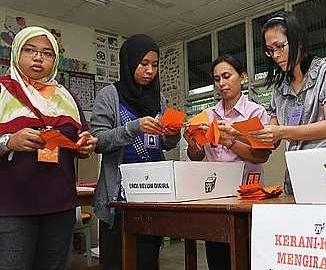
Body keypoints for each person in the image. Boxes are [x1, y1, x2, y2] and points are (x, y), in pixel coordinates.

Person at [0, 26, 97, 270]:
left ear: (54, 60)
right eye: (29, 50)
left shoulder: (66, 96)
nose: (38, 57)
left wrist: (84, 146)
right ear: (15, 54)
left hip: (60, 204)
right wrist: (9, 142)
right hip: (12, 205)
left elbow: (80, 137)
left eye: (47, 53)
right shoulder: (1, 90)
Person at [91, 34, 181, 270]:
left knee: (147, 260)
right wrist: (134, 127)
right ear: (129, 63)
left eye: (155, 65)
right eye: (143, 64)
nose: (150, 71)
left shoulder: (158, 98)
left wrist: (172, 133)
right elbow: (98, 140)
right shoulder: (109, 95)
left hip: (152, 193)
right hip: (119, 196)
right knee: (117, 260)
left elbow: (162, 144)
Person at [184, 54, 271, 270]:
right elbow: (197, 156)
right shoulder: (207, 114)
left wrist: (227, 140)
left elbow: (261, 156)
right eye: (216, 79)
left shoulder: (255, 112)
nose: (221, 83)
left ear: (242, 77)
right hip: (216, 196)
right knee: (217, 256)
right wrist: (192, 144)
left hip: (247, 195)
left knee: (248, 256)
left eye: (226, 76)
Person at [250, 11, 326, 195]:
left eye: (279, 46)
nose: (275, 55)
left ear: (298, 41)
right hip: (295, 177)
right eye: (270, 50)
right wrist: (234, 134)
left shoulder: (323, 72)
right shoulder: (279, 86)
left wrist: (283, 131)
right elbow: (271, 141)